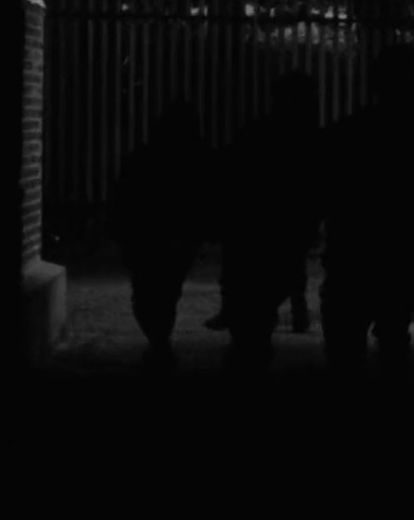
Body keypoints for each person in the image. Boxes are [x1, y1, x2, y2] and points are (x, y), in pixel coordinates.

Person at [319, 42, 414, 377]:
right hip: (404, 258)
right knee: (393, 337)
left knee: (345, 349)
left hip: (352, 256)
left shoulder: (347, 134)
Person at [219, 72, 324, 375]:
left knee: (254, 315)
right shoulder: (308, 139)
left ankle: (248, 352)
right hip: (282, 231)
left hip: (255, 234)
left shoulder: (257, 134)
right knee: (282, 282)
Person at [109, 100, 216, 373]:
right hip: (177, 237)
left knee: (148, 290)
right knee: (167, 289)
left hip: (147, 237)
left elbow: (125, 197)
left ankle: (158, 341)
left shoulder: (145, 156)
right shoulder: (198, 156)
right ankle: (160, 341)